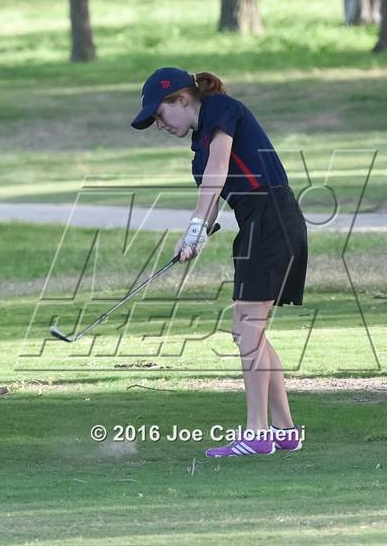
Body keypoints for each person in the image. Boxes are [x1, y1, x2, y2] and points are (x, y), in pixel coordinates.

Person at [131, 67, 307, 458]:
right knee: (251, 330)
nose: (159, 124)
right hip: (260, 223)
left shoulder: (220, 108)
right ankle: (285, 430)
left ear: (181, 98)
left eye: (159, 114)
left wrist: (195, 225)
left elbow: (220, 169)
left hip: (272, 216)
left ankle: (257, 434)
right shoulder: (199, 152)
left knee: (246, 328)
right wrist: (194, 237)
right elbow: (211, 201)